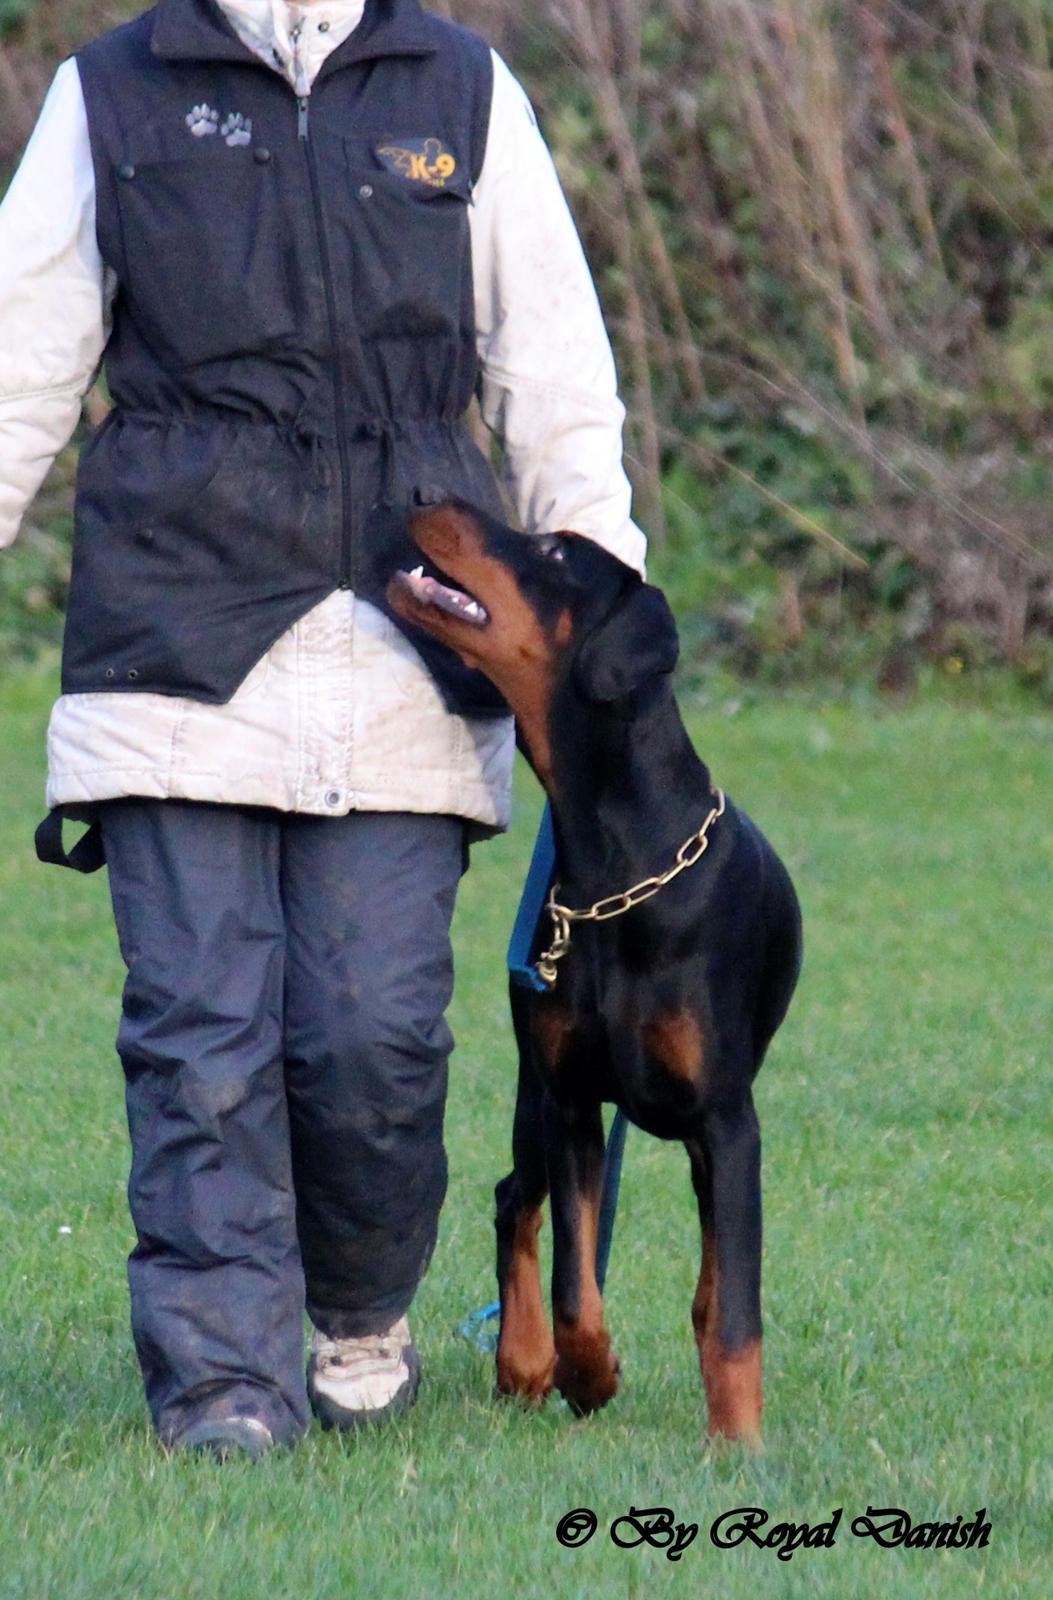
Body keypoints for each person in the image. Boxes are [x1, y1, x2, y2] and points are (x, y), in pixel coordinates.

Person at [0, 0, 645, 1459]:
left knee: (371, 1038)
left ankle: (360, 1317)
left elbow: (552, 375)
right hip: (172, 627)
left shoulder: (463, 89)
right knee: (198, 1036)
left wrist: (602, 624)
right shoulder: (107, 92)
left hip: (412, 642)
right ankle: (225, 1383)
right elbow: (15, 366)